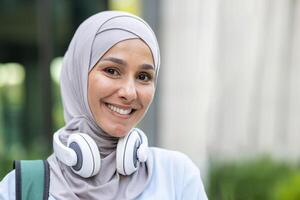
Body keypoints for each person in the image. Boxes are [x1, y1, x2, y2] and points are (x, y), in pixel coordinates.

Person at [0, 11, 208, 200]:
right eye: (112, 71)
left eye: (143, 76)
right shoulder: (20, 188)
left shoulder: (177, 176)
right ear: (79, 74)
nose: (129, 92)